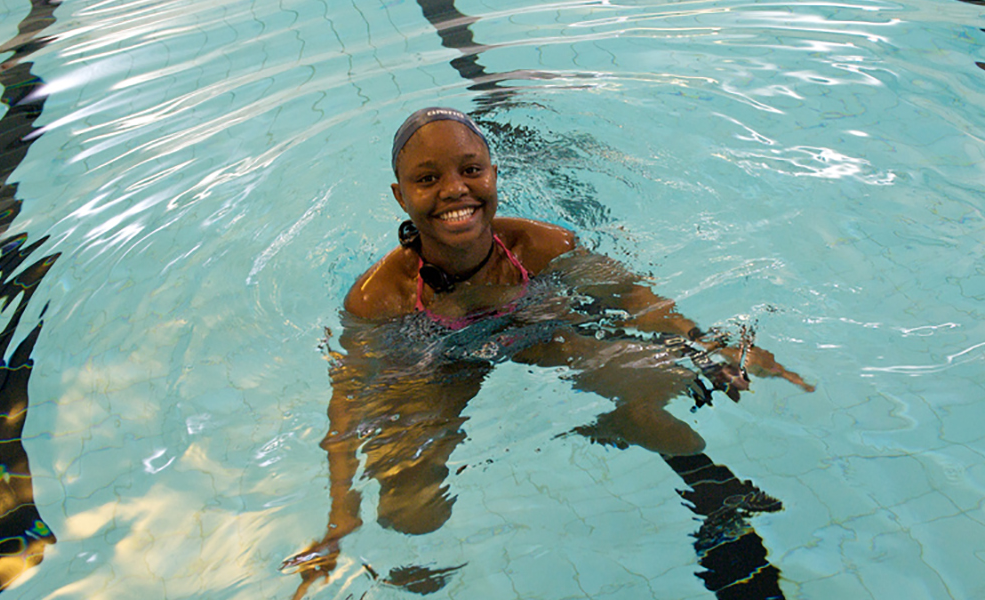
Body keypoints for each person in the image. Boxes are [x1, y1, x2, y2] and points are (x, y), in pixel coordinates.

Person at [284, 107, 814, 599]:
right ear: (401, 196)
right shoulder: (379, 298)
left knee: (653, 377)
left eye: (471, 170)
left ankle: (649, 433)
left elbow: (634, 298)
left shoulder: (542, 247)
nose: (455, 190)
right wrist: (340, 514)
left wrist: (708, 344)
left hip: (535, 328)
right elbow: (349, 400)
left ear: (494, 175)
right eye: (428, 179)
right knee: (409, 509)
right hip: (435, 359)